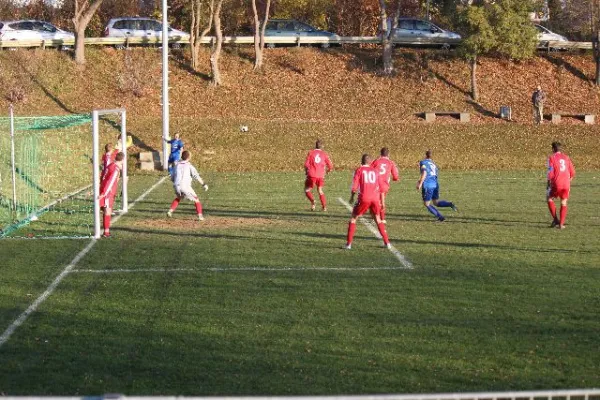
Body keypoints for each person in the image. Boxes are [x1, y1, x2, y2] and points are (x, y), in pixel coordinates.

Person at [346, 153, 391, 250]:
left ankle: (349, 244)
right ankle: (387, 243)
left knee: (353, 219)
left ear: (361, 161)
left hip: (364, 198)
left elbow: (354, 187)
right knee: (378, 219)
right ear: (371, 162)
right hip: (375, 198)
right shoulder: (375, 171)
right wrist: (382, 203)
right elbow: (382, 188)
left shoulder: (359, 170)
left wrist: (352, 197)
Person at [167, 150, 208, 221]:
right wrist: (203, 184)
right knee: (196, 200)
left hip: (176, 185)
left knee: (179, 197)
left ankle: (170, 211)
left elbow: (172, 178)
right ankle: (200, 216)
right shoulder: (189, 166)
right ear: (189, 157)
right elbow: (196, 176)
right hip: (185, 186)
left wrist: (176, 183)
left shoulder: (177, 166)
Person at [416, 150, 457, 222]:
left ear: (425, 155)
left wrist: (420, 183)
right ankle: (450, 204)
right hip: (435, 185)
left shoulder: (423, 162)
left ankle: (441, 217)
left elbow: (425, 173)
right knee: (436, 202)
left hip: (428, 185)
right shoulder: (433, 164)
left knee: (427, 204)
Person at [547, 141, 575, 229]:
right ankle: (561, 224)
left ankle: (555, 220)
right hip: (566, 183)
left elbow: (550, 173)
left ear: (553, 149)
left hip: (556, 183)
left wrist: (549, 183)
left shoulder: (551, 158)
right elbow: (573, 172)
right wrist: (568, 181)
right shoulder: (566, 157)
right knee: (564, 202)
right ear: (560, 149)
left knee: (549, 198)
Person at [370, 147, 400, 223]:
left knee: (376, 201)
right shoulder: (391, 162)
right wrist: (395, 178)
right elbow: (396, 176)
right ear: (388, 154)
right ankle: (382, 219)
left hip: (375, 184)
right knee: (381, 201)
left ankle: (377, 218)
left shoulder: (376, 161)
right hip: (385, 186)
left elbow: (369, 169)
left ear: (380, 153)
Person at [99, 152, 124, 238]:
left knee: (106, 210)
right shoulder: (116, 169)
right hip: (108, 193)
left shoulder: (111, 165)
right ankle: (106, 233)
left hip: (104, 190)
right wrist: (104, 193)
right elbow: (111, 182)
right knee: (108, 211)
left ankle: (106, 231)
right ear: (122, 160)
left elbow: (102, 176)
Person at [304, 139, 333, 211]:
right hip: (320, 175)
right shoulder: (324, 154)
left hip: (312, 175)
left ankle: (313, 202)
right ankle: (324, 207)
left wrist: (306, 171)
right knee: (320, 190)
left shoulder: (311, 153)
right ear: (322, 146)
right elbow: (330, 165)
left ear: (315, 145)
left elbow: (306, 164)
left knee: (307, 190)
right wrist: (328, 171)